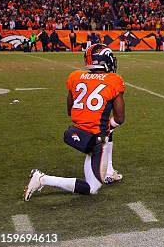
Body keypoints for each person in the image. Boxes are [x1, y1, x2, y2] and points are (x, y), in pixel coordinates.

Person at [23, 44, 125, 201]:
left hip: (76, 133)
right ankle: (42, 179)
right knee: (92, 188)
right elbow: (120, 118)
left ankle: (109, 171)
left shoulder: (75, 76)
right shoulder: (114, 80)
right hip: (94, 140)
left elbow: (70, 110)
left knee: (106, 128)